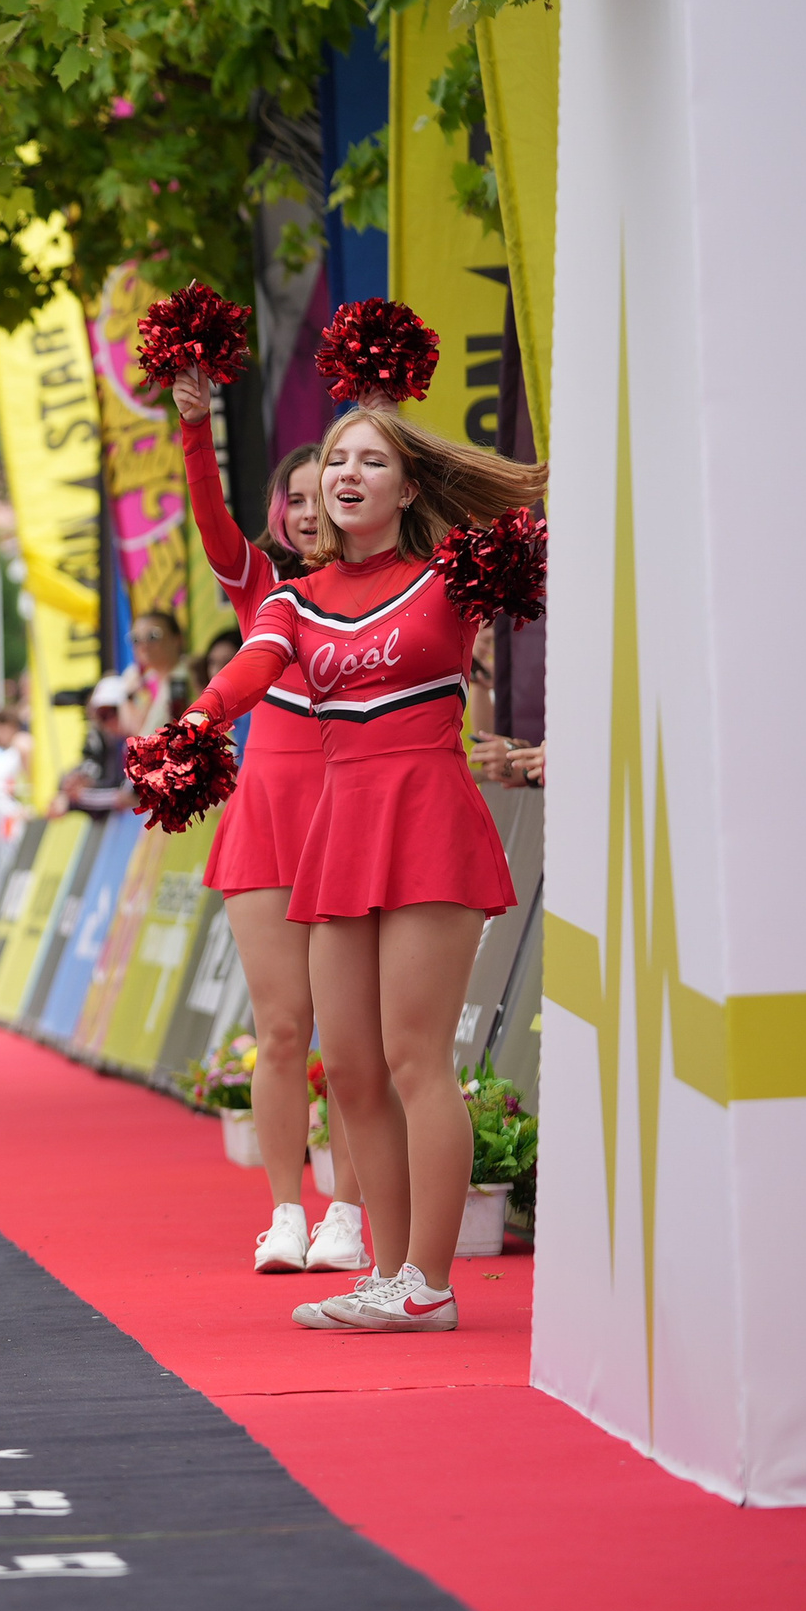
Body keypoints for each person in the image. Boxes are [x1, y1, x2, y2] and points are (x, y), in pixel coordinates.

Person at [178, 403, 544, 1331]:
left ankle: (429, 1279)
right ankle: (387, 1274)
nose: (344, 474)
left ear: (408, 485)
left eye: (371, 461)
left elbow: (528, 540)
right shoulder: (292, 599)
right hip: (338, 831)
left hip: (427, 818)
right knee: (347, 1067)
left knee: (418, 1057)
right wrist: (194, 725)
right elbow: (253, 669)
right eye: (335, 459)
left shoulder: (448, 578)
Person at [170, 371, 365, 1276]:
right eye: (290, 494)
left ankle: (351, 1214)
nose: (306, 504)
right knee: (282, 1028)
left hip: (354, 814)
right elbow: (211, 520)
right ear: (280, 514)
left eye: (321, 485)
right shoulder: (262, 592)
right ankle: (286, 1211)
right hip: (266, 819)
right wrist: (195, 424)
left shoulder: (380, 593)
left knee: (355, 1033)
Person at [64, 677, 133, 814]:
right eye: (101, 717)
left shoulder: (152, 733)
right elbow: (124, 795)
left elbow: (125, 797)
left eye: (109, 713)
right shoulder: (124, 747)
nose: (106, 724)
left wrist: (78, 797)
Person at [123, 608, 193, 736]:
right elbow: (135, 732)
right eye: (136, 639)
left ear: (177, 639)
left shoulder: (190, 674)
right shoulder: (143, 682)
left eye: (152, 636)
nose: (143, 645)